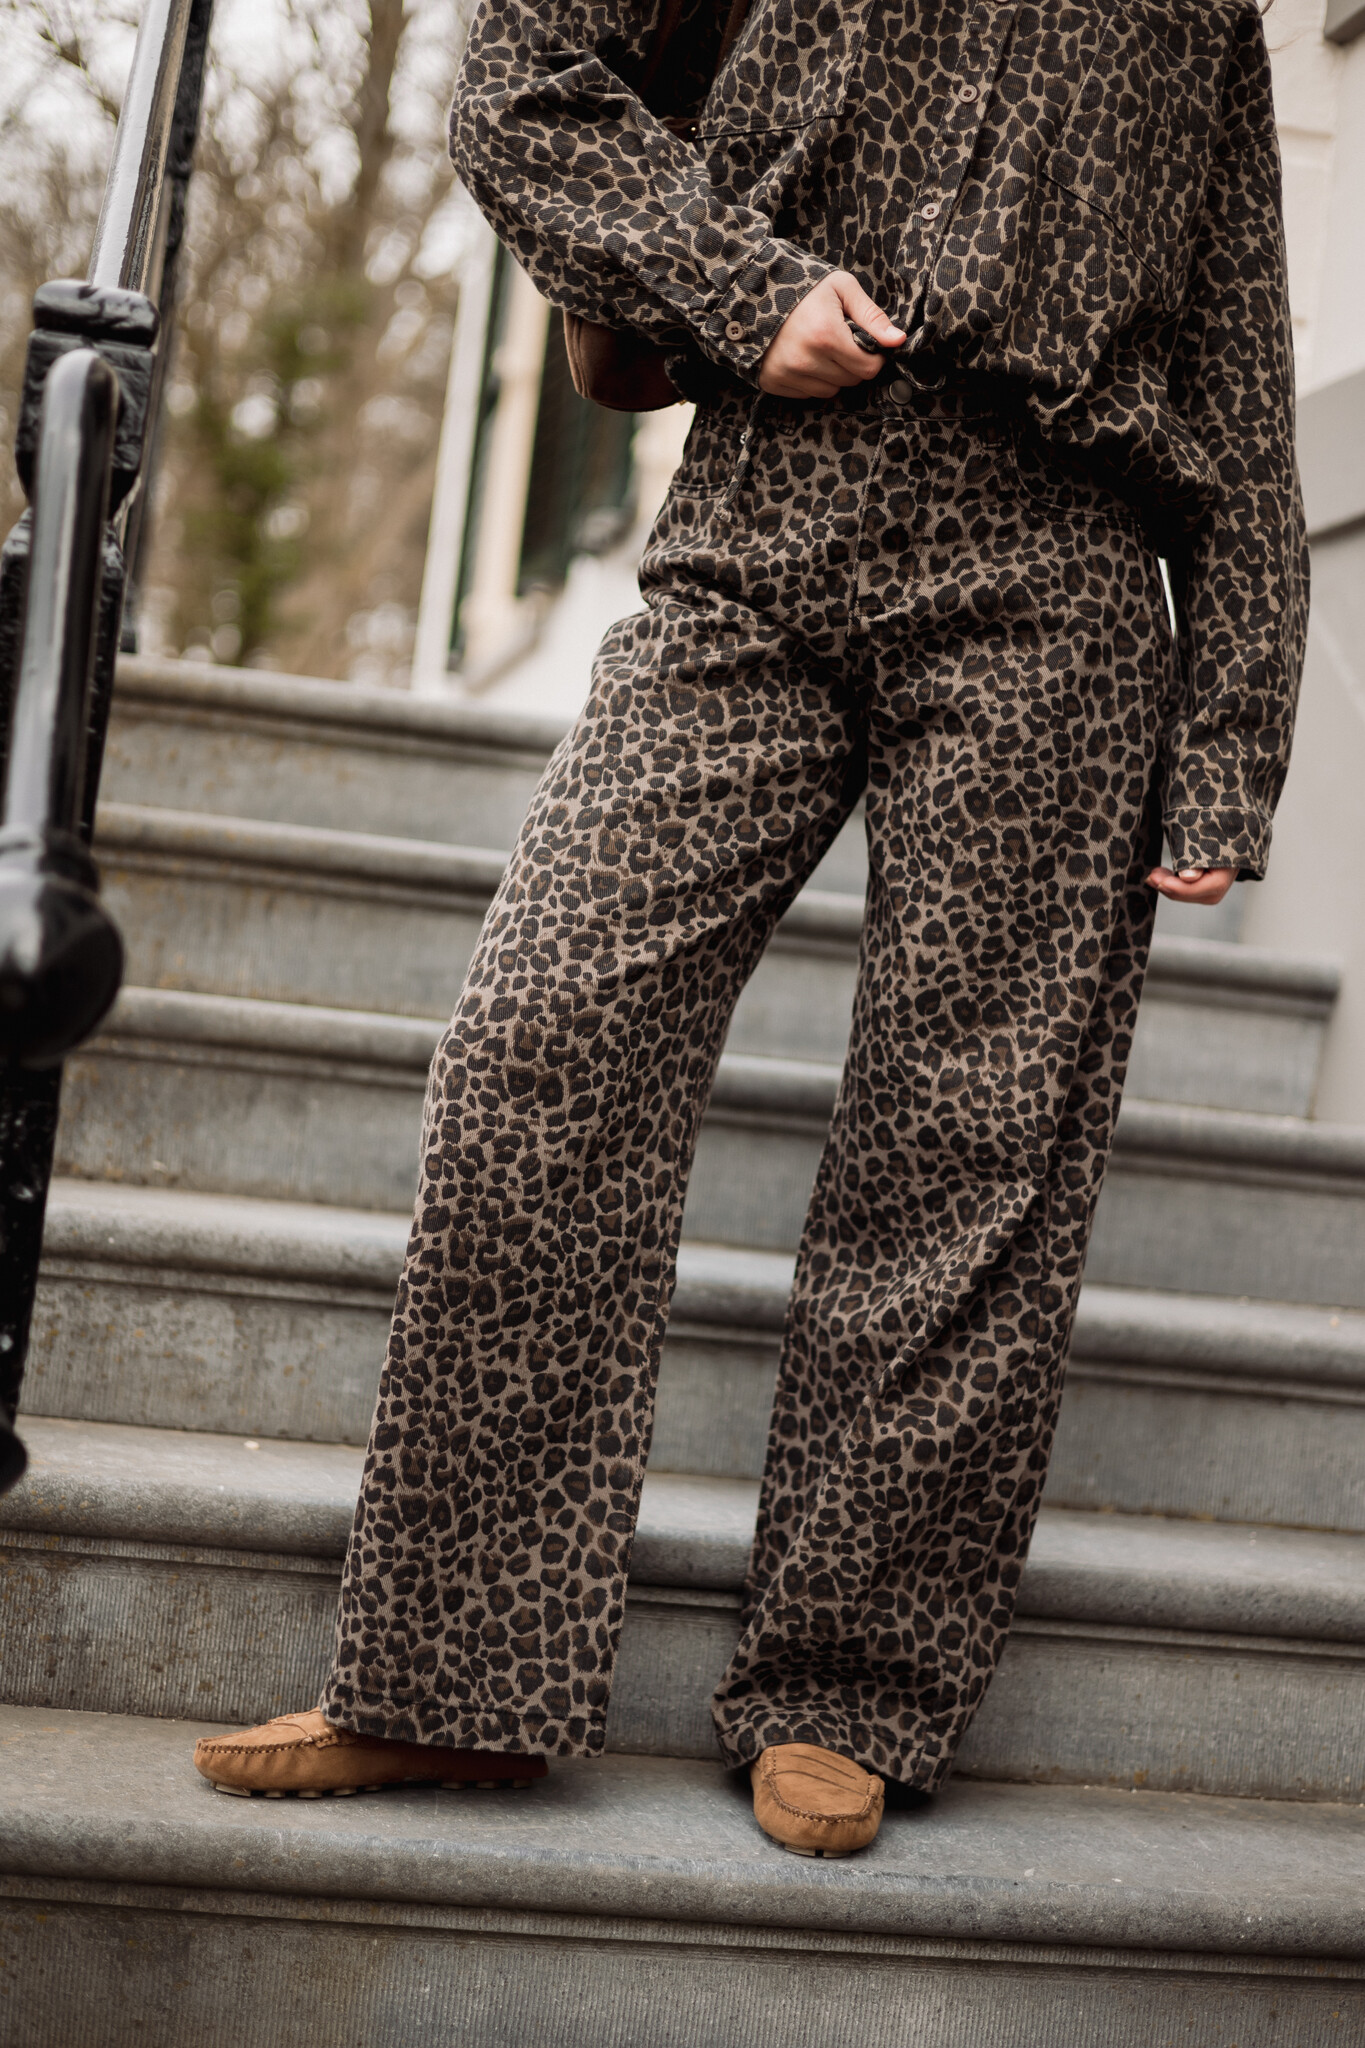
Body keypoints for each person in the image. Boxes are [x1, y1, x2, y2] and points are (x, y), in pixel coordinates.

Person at [194, 0, 1305, 1858]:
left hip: (1059, 584)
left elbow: (1237, 354)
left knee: (965, 1144)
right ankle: (455, 1680)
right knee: (547, 1035)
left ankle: (845, 1690)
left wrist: (1232, 730)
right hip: (764, 522)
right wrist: (737, 284)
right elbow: (526, 78)